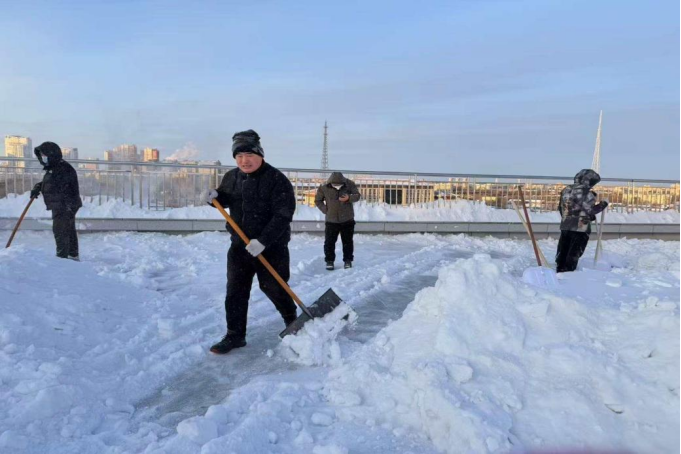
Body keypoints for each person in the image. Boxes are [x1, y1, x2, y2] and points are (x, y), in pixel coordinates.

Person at [205, 130, 298, 354]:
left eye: (249, 155)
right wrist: (215, 197)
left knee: (274, 287)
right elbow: (225, 197)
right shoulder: (232, 177)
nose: (244, 161)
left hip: (272, 246)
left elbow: (283, 214)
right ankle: (235, 335)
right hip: (240, 246)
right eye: (239, 156)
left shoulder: (276, 179)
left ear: (260, 155)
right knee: (235, 291)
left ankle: (294, 324)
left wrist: (263, 241)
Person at [30, 141, 82, 260]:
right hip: (63, 204)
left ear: (52, 154)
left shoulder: (62, 169)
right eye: (42, 155)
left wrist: (65, 208)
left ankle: (62, 259)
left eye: (45, 155)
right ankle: (72, 255)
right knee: (68, 230)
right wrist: (38, 187)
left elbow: (61, 187)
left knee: (61, 232)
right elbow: (50, 183)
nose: (43, 157)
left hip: (64, 205)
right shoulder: (55, 166)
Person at [556, 169, 609, 273]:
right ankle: (568, 271)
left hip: (566, 224)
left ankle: (560, 267)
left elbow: (561, 208)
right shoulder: (587, 194)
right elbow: (590, 210)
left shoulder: (566, 190)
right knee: (574, 251)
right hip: (581, 227)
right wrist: (603, 204)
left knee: (564, 247)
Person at [315, 172, 361, 270]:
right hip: (331, 220)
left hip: (347, 219)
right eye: (334, 185)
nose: (337, 186)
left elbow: (357, 195)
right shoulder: (324, 187)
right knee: (329, 242)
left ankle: (348, 260)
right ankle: (329, 261)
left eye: (339, 185)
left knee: (347, 242)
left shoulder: (350, 184)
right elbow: (318, 200)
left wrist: (349, 198)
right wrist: (325, 210)